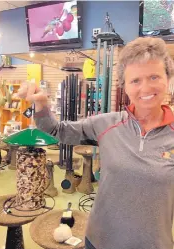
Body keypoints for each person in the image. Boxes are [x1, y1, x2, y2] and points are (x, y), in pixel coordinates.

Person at [17, 37, 174, 249]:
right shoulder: (106, 125)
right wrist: (41, 105)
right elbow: (58, 131)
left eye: (154, 76)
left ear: (168, 79)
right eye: (135, 80)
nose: (145, 88)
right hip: (99, 240)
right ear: (125, 86)